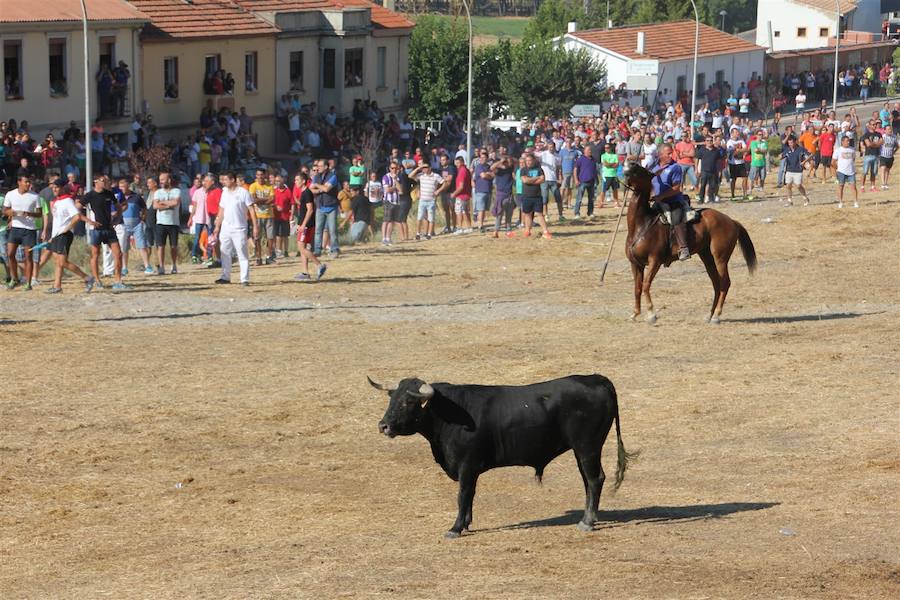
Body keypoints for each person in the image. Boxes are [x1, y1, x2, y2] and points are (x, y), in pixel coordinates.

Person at [45, 178, 96, 293]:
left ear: (63, 188)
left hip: (64, 235)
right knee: (57, 262)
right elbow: (57, 221)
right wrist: (52, 236)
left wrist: (66, 229)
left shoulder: (68, 201)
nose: (54, 189)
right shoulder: (57, 202)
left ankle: (87, 278)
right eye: (53, 187)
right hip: (56, 235)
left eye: (56, 187)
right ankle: (57, 286)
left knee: (63, 262)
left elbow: (77, 216)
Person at [83, 174, 127, 289]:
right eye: (103, 180)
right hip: (96, 229)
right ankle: (97, 280)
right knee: (95, 255)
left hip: (109, 228)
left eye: (107, 180)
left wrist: (117, 219)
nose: (105, 182)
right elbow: (76, 207)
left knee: (118, 253)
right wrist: (88, 221)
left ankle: (118, 281)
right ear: (96, 181)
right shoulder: (90, 195)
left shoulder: (109, 194)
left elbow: (118, 206)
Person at [214, 171, 258, 286]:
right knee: (225, 252)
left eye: (225, 180)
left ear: (232, 180)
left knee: (242, 254)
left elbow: (252, 210)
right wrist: (217, 226)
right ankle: (225, 276)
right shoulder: (224, 193)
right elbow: (221, 210)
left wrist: (255, 226)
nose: (223, 182)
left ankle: (244, 279)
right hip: (226, 227)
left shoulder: (243, 192)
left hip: (239, 228)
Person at [651, 144, 691, 261]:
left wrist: (661, 196)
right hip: (657, 201)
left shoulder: (675, 167)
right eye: (668, 153)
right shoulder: (653, 166)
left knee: (676, 219)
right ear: (660, 154)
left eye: (671, 153)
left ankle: (684, 248)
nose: (671, 155)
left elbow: (676, 188)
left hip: (673, 201)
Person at [3, 173, 40, 290]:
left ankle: (28, 283)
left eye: (29, 182)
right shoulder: (10, 194)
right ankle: (14, 279)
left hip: (29, 229)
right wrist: (11, 213)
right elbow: (4, 210)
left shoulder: (34, 196)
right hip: (15, 227)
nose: (28, 184)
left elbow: (39, 213)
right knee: (10, 254)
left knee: (28, 256)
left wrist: (29, 213)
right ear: (19, 182)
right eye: (26, 182)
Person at [292, 171, 326, 280]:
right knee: (303, 247)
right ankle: (305, 272)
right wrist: (299, 224)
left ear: (303, 181)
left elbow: (310, 210)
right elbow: (302, 211)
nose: (295, 182)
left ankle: (320, 265)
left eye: (297, 180)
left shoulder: (307, 192)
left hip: (307, 225)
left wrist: (303, 225)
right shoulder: (304, 192)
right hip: (304, 224)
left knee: (301, 248)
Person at [119, 177, 152, 273]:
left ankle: (147, 266)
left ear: (128, 187)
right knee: (124, 247)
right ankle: (124, 268)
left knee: (142, 246)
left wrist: (142, 218)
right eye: (120, 187)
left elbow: (144, 208)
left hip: (137, 224)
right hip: (123, 224)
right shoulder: (117, 198)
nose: (121, 189)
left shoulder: (136, 197)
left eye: (123, 187)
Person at [152, 171, 181, 274]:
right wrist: (169, 205)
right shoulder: (157, 192)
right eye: (160, 180)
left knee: (173, 246)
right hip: (161, 223)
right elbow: (155, 206)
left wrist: (162, 203)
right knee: (160, 246)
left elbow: (176, 202)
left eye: (163, 180)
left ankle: (174, 265)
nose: (161, 182)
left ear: (169, 180)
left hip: (173, 223)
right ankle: (161, 266)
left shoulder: (176, 191)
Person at [311, 159, 340, 257]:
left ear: (326, 167)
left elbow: (327, 189)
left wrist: (317, 186)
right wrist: (320, 189)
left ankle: (334, 249)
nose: (318, 168)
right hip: (320, 206)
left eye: (320, 166)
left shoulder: (333, 176)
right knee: (318, 230)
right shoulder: (316, 176)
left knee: (332, 230)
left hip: (331, 206)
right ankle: (317, 250)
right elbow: (312, 189)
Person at [519, 153, 551, 239]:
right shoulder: (523, 170)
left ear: (533, 161)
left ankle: (545, 231)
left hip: (537, 195)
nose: (528, 162)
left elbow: (542, 179)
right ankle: (527, 230)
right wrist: (536, 178)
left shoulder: (539, 169)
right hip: (526, 195)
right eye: (527, 161)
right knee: (527, 214)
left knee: (540, 214)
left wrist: (531, 180)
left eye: (530, 160)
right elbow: (525, 181)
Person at [410, 160, 443, 240]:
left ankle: (429, 234)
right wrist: (419, 168)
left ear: (430, 168)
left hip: (431, 200)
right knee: (420, 217)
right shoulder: (421, 175)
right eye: (423, 168)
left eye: (426, 167)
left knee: (431, 217)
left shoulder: (435, 176)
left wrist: (438, 191)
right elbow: (410, 176)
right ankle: (418, 233)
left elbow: (443, 182)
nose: (424, 169)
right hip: (422, 200)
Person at [248, 168, 275, 264]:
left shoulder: (270, 186)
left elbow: (272, 199)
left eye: (261, 175)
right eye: (258, 175)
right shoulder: (253, 186)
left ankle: (269, 256)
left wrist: (260, 200)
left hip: (269, 215)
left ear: (265, 176)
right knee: (257, 237)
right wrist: (266, 200)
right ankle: (258, 258)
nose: (260, 177)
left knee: (270, 237)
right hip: (257, 215)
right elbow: (253, 200)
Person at [780, 136, 811, 206]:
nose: (790, 144)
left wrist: (804, 162)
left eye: (791, 143)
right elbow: (782, 156)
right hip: (789, 170)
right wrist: (780, 156)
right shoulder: (787, 149)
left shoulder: (801, 149)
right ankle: (789, 201)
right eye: (789, 143)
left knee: (798, 185)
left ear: (795, 142)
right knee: (788, 185)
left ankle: (805, 197)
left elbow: (810, 154)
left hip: (798, 170)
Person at [189, 173, 213, 264]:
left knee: (210, 238)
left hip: (209, 218)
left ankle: (210, 255)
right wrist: (191, 218)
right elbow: (194, 206)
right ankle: (194, 255)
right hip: (199, 217)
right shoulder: (197, 192)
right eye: (204, 181)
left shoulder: (212, 192)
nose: (205, 183)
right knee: (197, 237)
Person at [833, 134, 858, 209]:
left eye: (849, 141)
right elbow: (833, 162)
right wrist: (837, 169)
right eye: (846, 141)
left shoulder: (852, 149)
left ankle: (855, 202)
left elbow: (853, 159)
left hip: (851, 172)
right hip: (841, 172)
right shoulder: (838, 150)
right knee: (841, 186)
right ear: (842, 142)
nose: (848, 142)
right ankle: (840, 202)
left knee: (853, 187)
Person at [472, 150, 495, 231]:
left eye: (484, 157)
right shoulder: (479, 167)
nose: (482, 159)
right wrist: (488, 175)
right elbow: (483, 176)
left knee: (484, 209)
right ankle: (480, 226)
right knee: (480, 209)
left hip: (488, 190)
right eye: (481, 158)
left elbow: (493, 175)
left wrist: (488, 174)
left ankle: (482, 225)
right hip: (480, 191)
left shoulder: (489, 167)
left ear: (487, 158)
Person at [573, 145, 597, 218]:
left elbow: (594, 170)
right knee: (579, 199)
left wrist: (597, 179)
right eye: (588, 150)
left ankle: (590, 212)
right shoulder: (580, 159)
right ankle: (577, 213)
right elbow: (575, 169)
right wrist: (576, 179)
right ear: (584, 151)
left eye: (590, 150)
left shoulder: (593, 159)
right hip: (582, 182)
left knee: (591, 199)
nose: (590, 151)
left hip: (592, 182)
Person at [272, 174, 293, 258]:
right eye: (276, 181)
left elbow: (292, 203)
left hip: (285, 216)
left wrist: (291, 213)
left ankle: (286, 251)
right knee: (277, 234)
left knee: (285, 235)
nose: (277, 183)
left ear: (283, 181)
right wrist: (275, 206)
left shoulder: (288, 191)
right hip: (276, 216)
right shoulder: (274, 191)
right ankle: (279, 250)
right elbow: (271, 201)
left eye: (279, 181)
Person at [381, 161, 401, 245]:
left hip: (396, 201)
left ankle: (388, 238)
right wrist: (394, 187)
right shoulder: (386, 177)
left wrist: (395, 181)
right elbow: (388, 190)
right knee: (386, 220)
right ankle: (383, 238)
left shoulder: (397, 178)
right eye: (392, 168)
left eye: (396, 168)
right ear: (389, 169)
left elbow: (400, 189)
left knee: (391, 221)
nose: (394, 170)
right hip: (388, 201)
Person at [451, 155, 472, 233]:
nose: (457, 164)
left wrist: (454, 193)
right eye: (456, 163)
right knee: (465, 211)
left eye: (458, 163)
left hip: (461, 195)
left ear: (462, 162)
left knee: (458, 211)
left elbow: (461, 186)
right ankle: (469, 227)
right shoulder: (465, 170)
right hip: (466, 194)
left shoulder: (462, 171)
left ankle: (459, 228)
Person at [726, 128, 749, 200]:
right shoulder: (729, 142)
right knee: (733, 179)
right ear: (732, 133)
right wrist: (739, 150)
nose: (737, 134)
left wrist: (739, 150)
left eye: (737, 132)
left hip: (741, 162)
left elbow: (746, 149)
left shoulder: (741, 140)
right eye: (735, 132)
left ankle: (745, 194)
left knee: (745, 178)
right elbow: (731, 150)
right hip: (733, 163)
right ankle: (732, 194)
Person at [859, 123, 882, 193]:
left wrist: (873, 144)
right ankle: (862, 187)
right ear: (869, 126)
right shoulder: (866, 135)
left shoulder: (879, 134)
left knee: (874, 172)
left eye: (875, 124)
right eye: (873, 124)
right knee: (865, 172)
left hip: (876, 155)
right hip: (868, 155)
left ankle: (872, 187)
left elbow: (881, 142)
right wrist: (876, 144)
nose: (875, 125)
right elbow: (868, 144)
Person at [599, 143, 620, 209]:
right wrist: (612, 164)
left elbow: (617, 165)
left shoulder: (615, 156)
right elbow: (605, 164)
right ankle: (601, 202)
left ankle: (616, 202)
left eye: (608, 147)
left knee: (615, 189)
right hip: (606, 175)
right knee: (603, 190)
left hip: (614, 175)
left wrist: (609, 164)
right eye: (605, 148)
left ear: (610, 148)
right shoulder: (603, 155)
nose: (606, 149)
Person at [748, 131, 768, 195]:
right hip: (755, 162)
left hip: (763, 162)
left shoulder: (764, 142)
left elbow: (766, 151)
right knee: (752, 177)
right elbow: (755, 150)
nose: (760, 136)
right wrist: (761, 150)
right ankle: (750, 190)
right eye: (759, 134)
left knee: (762, 177)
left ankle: (762, 188)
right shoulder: (753, 142)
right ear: (756, 135)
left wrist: (759, 150)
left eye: (761, 135)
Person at [879, 124, 896, 190]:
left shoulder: (894, 137)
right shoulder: (882, 137)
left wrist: (894, 151)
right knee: (883, 168)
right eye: (888, 129)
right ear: (885, 130)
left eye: (890, 129)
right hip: (883, 155)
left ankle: (886, 183)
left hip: (890, 156)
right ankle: (883, 184)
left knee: (887, 170)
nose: (890, 130)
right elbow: (878, 145)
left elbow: (897, 145)